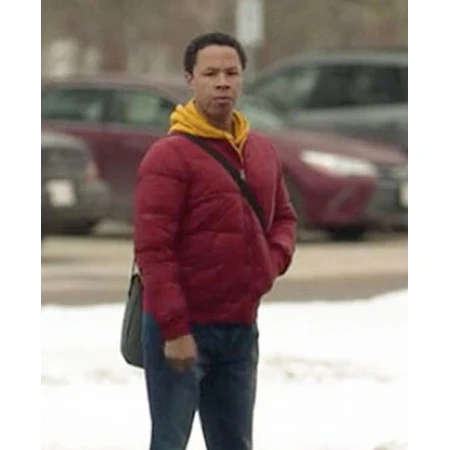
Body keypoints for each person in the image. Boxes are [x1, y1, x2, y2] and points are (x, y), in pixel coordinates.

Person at [134, 32, 297, 450]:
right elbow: (154, 251)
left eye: (231, 73)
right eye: (210, 74)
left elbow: (284, 219)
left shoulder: (261, 151)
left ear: (243, 78)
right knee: (169, 442)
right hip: (181, 329)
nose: (222, 82)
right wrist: (174, 330)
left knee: (234, 442)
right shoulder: (169, 156)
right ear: (190, 79)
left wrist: (270, 262)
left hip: (240, 328)